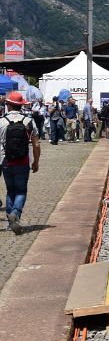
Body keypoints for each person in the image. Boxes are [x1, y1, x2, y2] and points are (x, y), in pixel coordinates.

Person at [1, 92, 41, 235]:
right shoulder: (29, 121)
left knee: (10, 190)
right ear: (21, 105)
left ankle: (10, 221)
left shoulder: (1, 121)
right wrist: (36, 161)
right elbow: (36, 144)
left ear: (8, 105)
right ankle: (16, 213)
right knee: (21, 190)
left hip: (5, 161)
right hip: (22, 161)